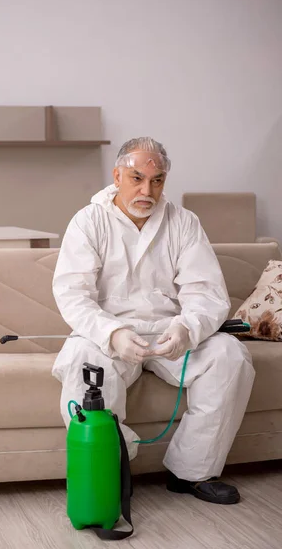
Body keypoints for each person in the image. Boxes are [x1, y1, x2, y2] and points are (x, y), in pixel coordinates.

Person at [52, 136, 255, 505]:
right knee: (84, 366)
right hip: (108, 334)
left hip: (168, 335)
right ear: (117, 175)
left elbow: (206, 291)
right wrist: (111, 333)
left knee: (229, 355)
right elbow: (72, 294)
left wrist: (186, 327)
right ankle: (108, 470)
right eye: (136, 178)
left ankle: (191, 472)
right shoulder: (88, 221)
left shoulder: (184, 222)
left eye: (157, 180)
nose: (147, 190)